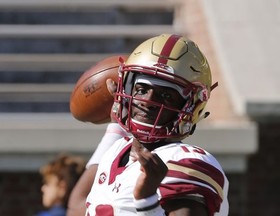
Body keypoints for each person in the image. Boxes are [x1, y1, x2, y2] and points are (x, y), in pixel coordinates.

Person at [69, 33, 229, 216]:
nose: (148, 101)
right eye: (141, 89)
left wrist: (147, 202)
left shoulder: (188, 161)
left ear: (191, 106)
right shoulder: (115, 151)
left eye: (166, 95)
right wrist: (115, 127)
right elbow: (75, 208)